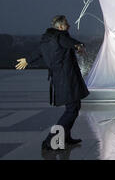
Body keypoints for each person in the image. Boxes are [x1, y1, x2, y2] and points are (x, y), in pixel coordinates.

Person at [15, 15, 90, 150]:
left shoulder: (47, 39)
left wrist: (27, 60)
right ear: (60, 26)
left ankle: (65, 137)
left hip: (59, 78)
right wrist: (79, 46)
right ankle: (50, 140)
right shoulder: (61, 37)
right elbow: (72, 43)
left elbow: (39, 52)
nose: (69, 25)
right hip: (67, 78)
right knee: (72, 110)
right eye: (66, 23)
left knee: (73, 107)